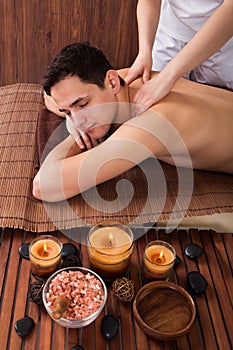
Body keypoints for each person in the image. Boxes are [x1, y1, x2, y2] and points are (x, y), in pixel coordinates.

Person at [33, 42, 233, 203]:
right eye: (67, 112)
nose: (78, 121)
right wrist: (73, 120)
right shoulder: (126, 78)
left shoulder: (151, 125)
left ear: (111, 82)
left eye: (83, 104)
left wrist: (73, 137)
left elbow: (44, 186)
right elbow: (50, 96)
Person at [125, 0, 233, 113]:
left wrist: (167, 77)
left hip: (222, 40)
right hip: (170, 32)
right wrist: (144, 51)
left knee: (213, 112)